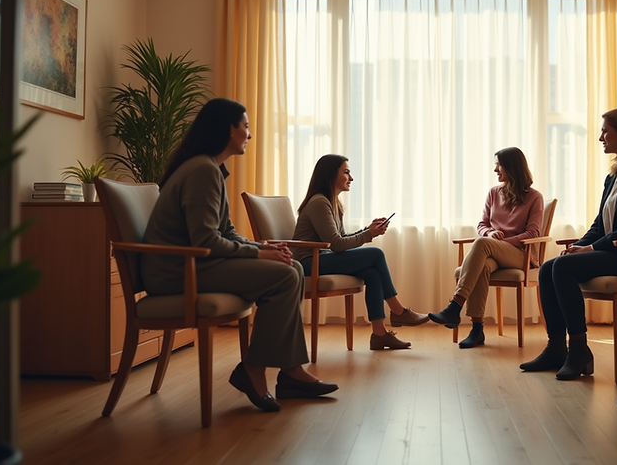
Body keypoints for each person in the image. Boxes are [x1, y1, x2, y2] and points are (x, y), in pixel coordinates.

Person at [141, 98, 338, 413]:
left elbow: (226, 232)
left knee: (291, 270)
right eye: (245, 126)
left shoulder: (211, 168)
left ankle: (289, 372)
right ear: (226, 129)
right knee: (287, 275)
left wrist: (263, 248)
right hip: (179, 272)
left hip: (196, 263)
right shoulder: (202, 170)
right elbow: (206, 240)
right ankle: (255, 370)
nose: (249, 134)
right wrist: (259, 256)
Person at [519, 107, 617, 380]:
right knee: (549, 267)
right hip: (614, 251)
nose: (600, 138)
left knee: (562, 269)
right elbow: (600, 225)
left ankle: (578, 350)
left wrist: (592, 248)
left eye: (605, 131)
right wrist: (580, 244)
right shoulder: (614, 176)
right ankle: (555, 347)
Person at [292, 154, 429, 350]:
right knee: (376, 254)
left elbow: (339, 239)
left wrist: (368, 230)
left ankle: (380, 334)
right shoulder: (319, 202)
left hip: (323, 257)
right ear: (331, 175)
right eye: (346, 172)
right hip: (308, 262)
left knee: (372, 274)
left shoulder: (334, 203)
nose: (351, 177)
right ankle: (398, 311)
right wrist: (368, 234)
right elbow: (337, 244)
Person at [428, 147, 545, 348]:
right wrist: (490, 234)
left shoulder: (535, 197)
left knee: (481, 244)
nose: (495, 170)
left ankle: (455, 306)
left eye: (498, 165)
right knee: (482, 265)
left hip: (520, 254)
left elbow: (533, 233)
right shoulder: (493, 193)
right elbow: (482, 224)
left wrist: (498, 242)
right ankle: (477, 330)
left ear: (511, 167)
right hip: (492, 251)